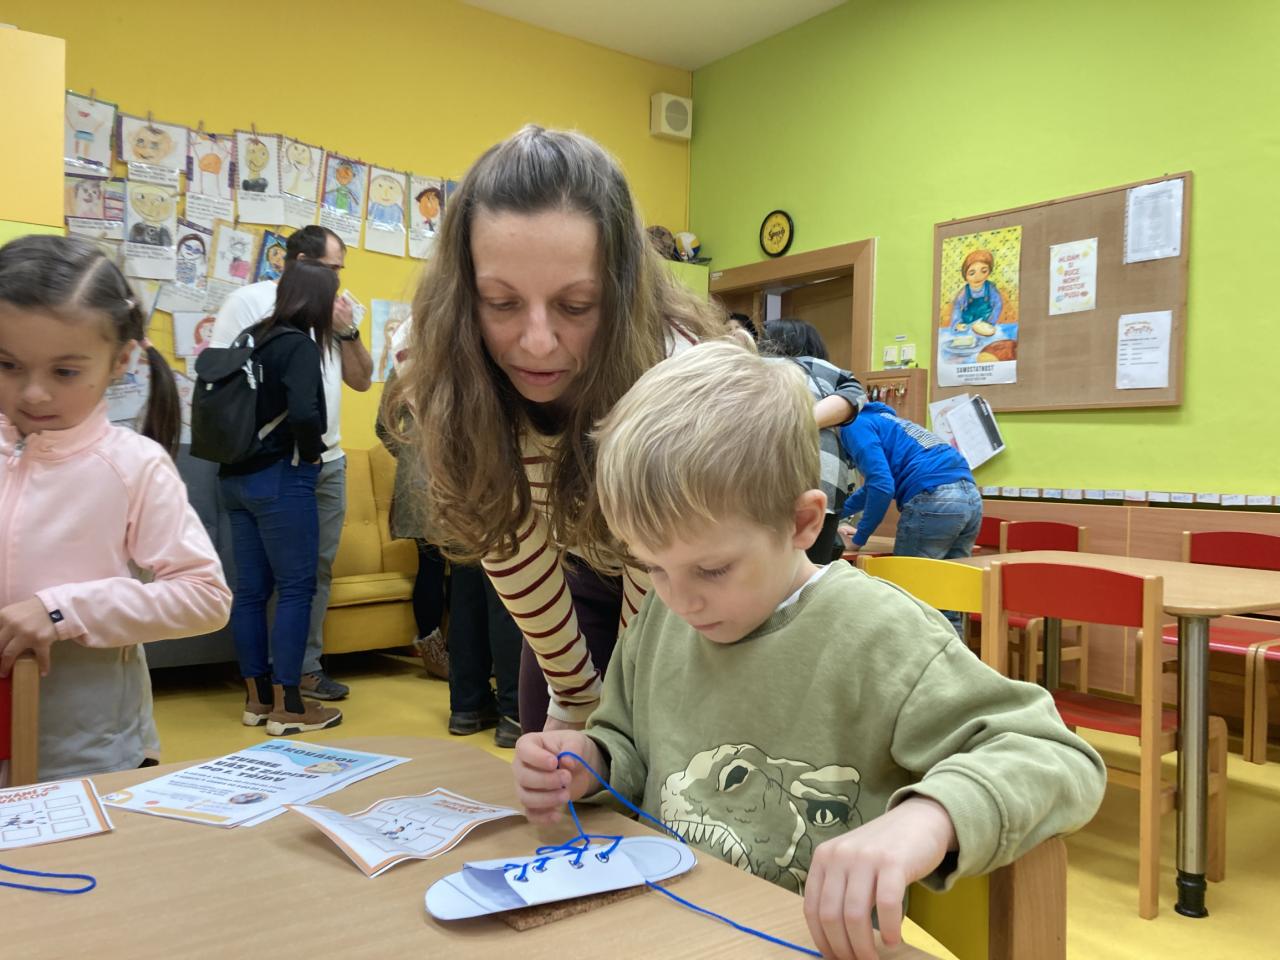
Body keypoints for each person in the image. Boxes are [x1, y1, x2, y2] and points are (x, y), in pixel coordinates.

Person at [512, 341, 1106, 960]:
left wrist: (927, 818)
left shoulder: (879, 634)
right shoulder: (661, 622)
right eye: (653, 567)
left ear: (802, 522)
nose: (680, 599)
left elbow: (1056, 758)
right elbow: (630, 743)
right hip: (663, 928)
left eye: (712, 569)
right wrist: (591, 760)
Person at [399, 124, 726, 734]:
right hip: (573, 564)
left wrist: (617, 727)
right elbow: (508, 537)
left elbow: (656, 568)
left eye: (576, 306)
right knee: (552, 736)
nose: (538, 343)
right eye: (501, 303)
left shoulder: (676, 372)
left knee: (658, 750)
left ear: (621, 294)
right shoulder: (437, 363)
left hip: (688, 573)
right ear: (465, 294)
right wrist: (574, 701)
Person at [0, 235, 232, 783]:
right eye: (7, 364)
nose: (33, 394)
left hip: (83, 754)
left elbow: (204, 597)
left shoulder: (133, 465)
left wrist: (62, 610)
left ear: (121, 360)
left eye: (64, 372)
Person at [211, 224, 372, 701]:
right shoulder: (249, 302)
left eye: (340, 270)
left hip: (327, 460)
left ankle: (301, 671)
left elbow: (362, 381)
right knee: (260, 580)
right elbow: (220, 376)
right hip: (270, 461)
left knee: (314, 573)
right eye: (329, 268)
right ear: (297, 261)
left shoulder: (339, 308)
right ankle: (265, 683)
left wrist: (348, 331)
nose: (337, 279)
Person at [219, 261, 344, 735]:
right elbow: (306, 414)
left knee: (250, 591)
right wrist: (311, 457)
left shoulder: (250, 337)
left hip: (234, 477)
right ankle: (289, 705)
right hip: (280, 478)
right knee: (296, 588)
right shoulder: (298, 345)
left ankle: (256, 699)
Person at [761, 317, 865, 563]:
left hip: (760, 480)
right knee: (815, 567)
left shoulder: (752, 366)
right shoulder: (824, 370)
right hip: (822, 480)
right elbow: (857, 394)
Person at [838, 403, 982, 563]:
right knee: (951, 577)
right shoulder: (884, 420)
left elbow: (881, 487)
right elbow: (873, 488)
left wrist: (858, 539)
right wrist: (833, 516)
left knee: (907, 576)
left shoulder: (853, 424)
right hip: (971, 497)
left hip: (934, 494)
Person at [948, 249, 1003, 335]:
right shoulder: (963, 293)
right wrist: (957, 323)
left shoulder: (991, 289)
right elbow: (957, 307)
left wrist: (990, 322)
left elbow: (998, 304)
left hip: (985, 325)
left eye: (984, 271)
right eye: (972, 273)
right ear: (965, 275)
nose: (978, 276)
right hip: (968, 326)